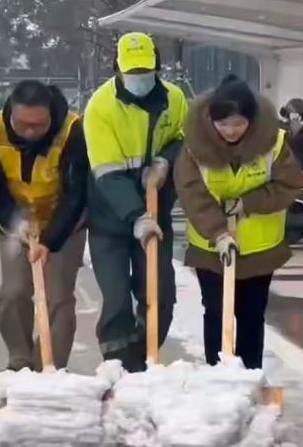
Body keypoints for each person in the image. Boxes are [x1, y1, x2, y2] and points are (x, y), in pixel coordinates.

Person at [175, 76, 301, 369]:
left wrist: (248, 203)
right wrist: (219, 233)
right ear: (210, 120)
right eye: (223, 124)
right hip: (210, 246)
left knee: (252, 314)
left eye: (238, 123)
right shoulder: (194, 146)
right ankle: (217, 373)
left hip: (260, 247)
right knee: (217, 311)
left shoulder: (275, 142)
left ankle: (249, 374)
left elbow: (289, 184)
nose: (230, 131)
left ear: (252, 120)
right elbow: (191, 192)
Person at [84, 32, 188, 372]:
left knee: (160, 295)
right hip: (110, 216)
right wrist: (137, 216)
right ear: (117, 68)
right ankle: (118, 366)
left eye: (146, 69)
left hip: (156, 209)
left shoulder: (174, 98)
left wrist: (164, 162)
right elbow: (108, 173)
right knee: (116, 300)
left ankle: (144, 359)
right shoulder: (101, 107)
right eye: (132, 70)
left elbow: (182, 138)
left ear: (157, 66)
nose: (139, 77)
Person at [0, 80, 88, 371]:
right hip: (16, 223)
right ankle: (19, 361)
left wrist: (50, 242)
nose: (29, 131)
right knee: (13, 292)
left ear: (50, 114)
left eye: (38, 125)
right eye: (22, 123)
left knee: (58, 297)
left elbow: (76, 194)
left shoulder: (72, 131)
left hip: (64, 226)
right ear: (11, 113)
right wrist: (16, 221)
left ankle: (49, 365)